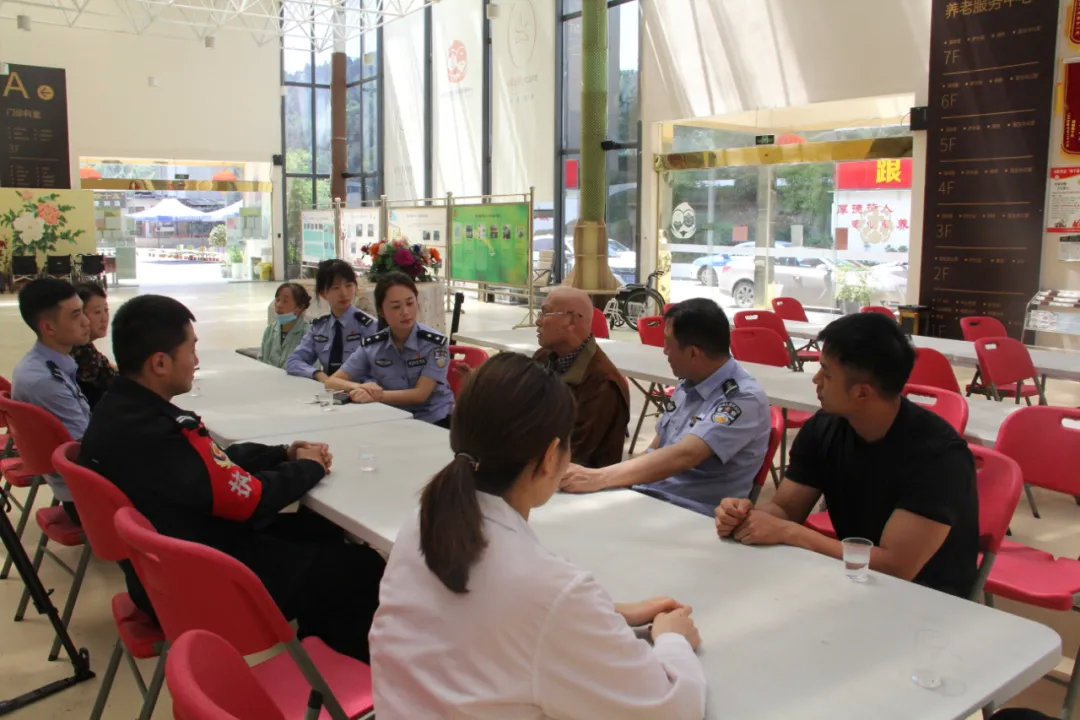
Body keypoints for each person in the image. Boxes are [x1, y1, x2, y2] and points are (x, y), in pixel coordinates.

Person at [370, 353, 706, 718]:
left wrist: (605, 614)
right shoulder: (549, 588)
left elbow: (497, 613)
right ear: (550, 456)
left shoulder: (423, 521)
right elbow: (673, 709)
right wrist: (672, 638)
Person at [78, 294, 385, 660]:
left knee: (321, 528)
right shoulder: (156, 433)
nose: (196, 361)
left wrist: (282, 453)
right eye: (191, 350)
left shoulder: (120, 410)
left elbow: (211, 464)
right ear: (159, 363)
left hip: (167, 567)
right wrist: (310, 467)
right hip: (207, 579)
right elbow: (250, 499)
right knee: (362, 566)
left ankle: (317, 644)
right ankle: (337, 675)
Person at [714, 312, 979, 598]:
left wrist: (789, 532)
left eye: (826, 373)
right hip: (852, 578)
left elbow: (895, 567)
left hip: (927, 599)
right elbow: (786, 509)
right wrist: (744, 517)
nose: (816, 380)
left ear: (862, 393)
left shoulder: (939, 458)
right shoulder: (824, 427)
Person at [560, 298, 770, 516]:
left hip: (690, 512)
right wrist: (615, 485)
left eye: (668, 344)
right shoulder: (690, 382)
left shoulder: (742, 399)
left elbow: (686, 455)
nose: (665, 351)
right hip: (650, 497)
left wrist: (600, 477)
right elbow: (656, 449)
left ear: (693, 353)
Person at [325, 272, 454, 427]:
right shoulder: (373, 346)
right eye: (396, 306)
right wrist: (361, 387)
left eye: (410, 303)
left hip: (434, 420)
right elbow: (332, 381)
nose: (405, 312)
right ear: (381, 311)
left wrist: (377, 396)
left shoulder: (434, 343)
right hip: (390, 419)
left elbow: (420, 394)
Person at [11, 278, 92, 522]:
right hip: (87, 496)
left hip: (75, 485)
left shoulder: (41, 364)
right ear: (48, 327)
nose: (86, 321)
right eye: (76, 315)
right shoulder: (45, 382)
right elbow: (87, 448)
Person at [533, 287, 629, 467]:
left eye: (545, 313)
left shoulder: (602, 384)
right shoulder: (544, 358)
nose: (538, 321)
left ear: (571, 320)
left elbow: (574, 456)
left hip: (573, 477)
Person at [285, 260, 377, 381]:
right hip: (328, 388)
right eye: (336, 288)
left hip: (362, 389)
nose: (344, 293)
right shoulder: (319, 328)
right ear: (323, 293)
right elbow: (293, 361)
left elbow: (381, 371)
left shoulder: (369, 326)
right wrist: (318, 374)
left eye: (349, 285)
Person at [72, 282, 117, 407]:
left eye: (106, 310)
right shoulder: (81, 353)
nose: (104, 318)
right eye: (97, 312)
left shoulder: (84, 346)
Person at [259, 282, 311, 369]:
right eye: (277, 300)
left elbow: (312, 370)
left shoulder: (309, 335)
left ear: (299, 307)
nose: (279, 305)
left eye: (285, 301)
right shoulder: (269, 330)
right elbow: (261, 362)